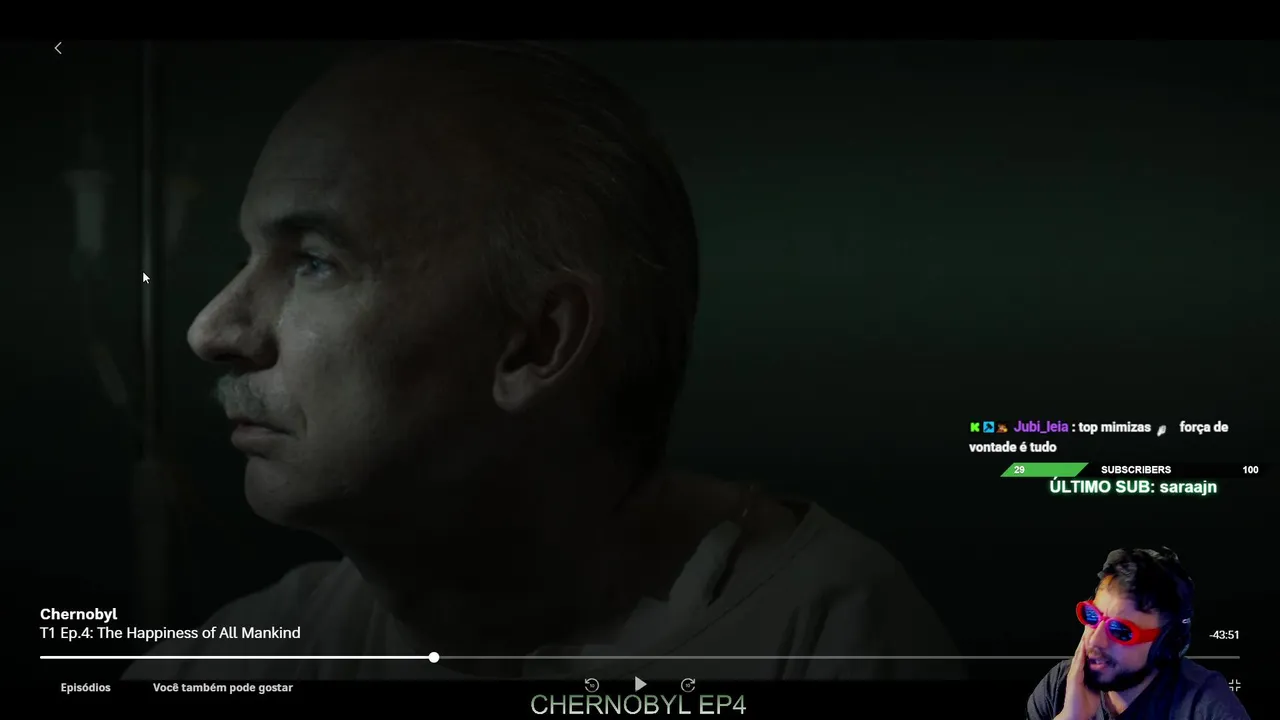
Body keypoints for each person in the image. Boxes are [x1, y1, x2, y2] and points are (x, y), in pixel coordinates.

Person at [122, 41, 955, 682]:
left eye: (313, 261)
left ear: (536, 342)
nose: (212, 330)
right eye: (249, 256)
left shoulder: (827, 644)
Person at [1026, 547, 1249, 720]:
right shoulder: (1059, 686)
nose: (1095, 640)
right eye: (1092, 616)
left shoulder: (1207, 706)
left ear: (1164, 646)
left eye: (1121, 630)